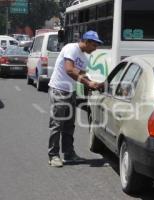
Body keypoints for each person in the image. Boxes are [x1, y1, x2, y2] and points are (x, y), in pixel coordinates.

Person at [48, 30, 104, 167]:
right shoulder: (71, 48)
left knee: (69, 125)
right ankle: (53, 155)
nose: (95, 48)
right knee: (57, 124)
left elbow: (83, 75)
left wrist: (92, 86)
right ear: (86, 41)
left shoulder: (85, 57)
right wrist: (88, 83)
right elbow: (69, 70)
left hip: (70, 91)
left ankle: (68, 154)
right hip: (59, 90)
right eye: (94, 45)